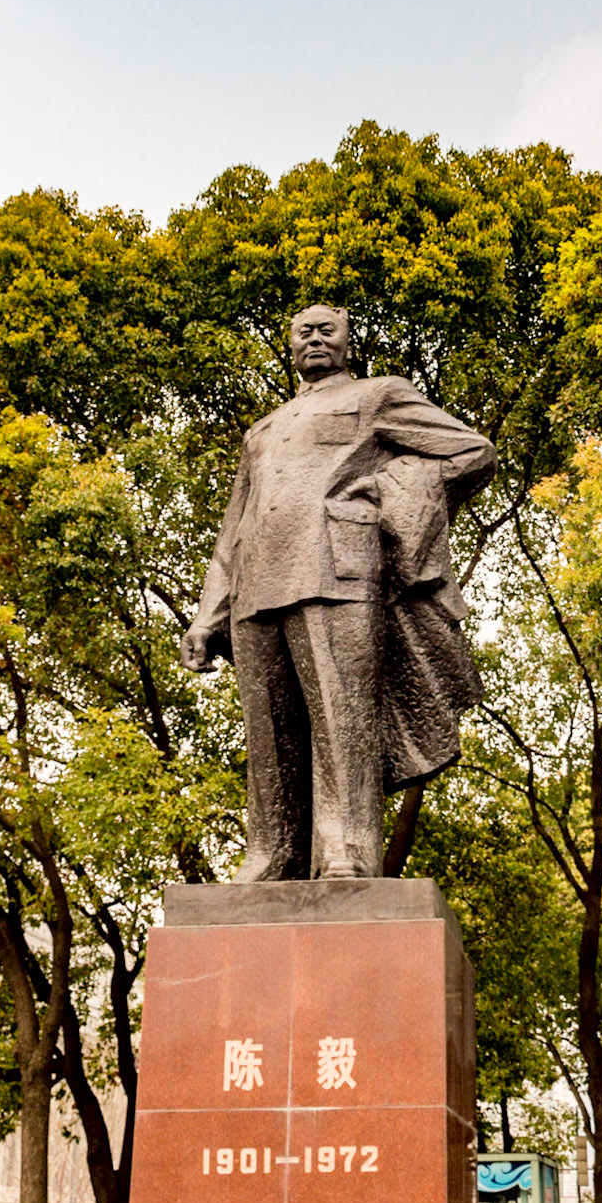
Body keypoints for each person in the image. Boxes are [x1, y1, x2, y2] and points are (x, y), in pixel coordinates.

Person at [181, 304, 497, 879]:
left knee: (343, 716)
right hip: (255, 586)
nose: (316, 339)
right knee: (269, 734)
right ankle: (272, 854)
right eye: (305, 332)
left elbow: (471, 451)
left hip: (339, 572)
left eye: (329, 330)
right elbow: (234, 527)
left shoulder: (379, 395)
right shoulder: (263, 430)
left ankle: (346, 850)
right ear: (291, 346)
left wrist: (380, 492)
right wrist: (208, 615)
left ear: (349, 343)